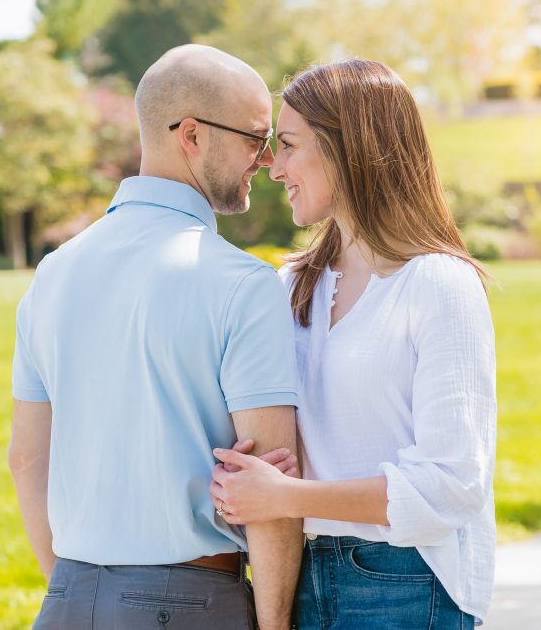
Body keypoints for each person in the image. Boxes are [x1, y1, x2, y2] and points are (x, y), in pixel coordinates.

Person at [8, 44, 303, 630]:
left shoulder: (53, 273)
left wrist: (74, 593)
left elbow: (25, 459)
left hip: (68, 598)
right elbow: (272, 491)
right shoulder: (241, 282)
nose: (266, 161)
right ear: (191, 134)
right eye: (255, 137)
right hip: (191, 603)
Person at [209, 59, 498, 629]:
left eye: (288, 145)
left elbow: (451, 484)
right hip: (298, 577)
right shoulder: (289, 286)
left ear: (348, 151)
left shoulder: (438, 283)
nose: (273, 167)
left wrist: (286, 497)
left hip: (407, 585)